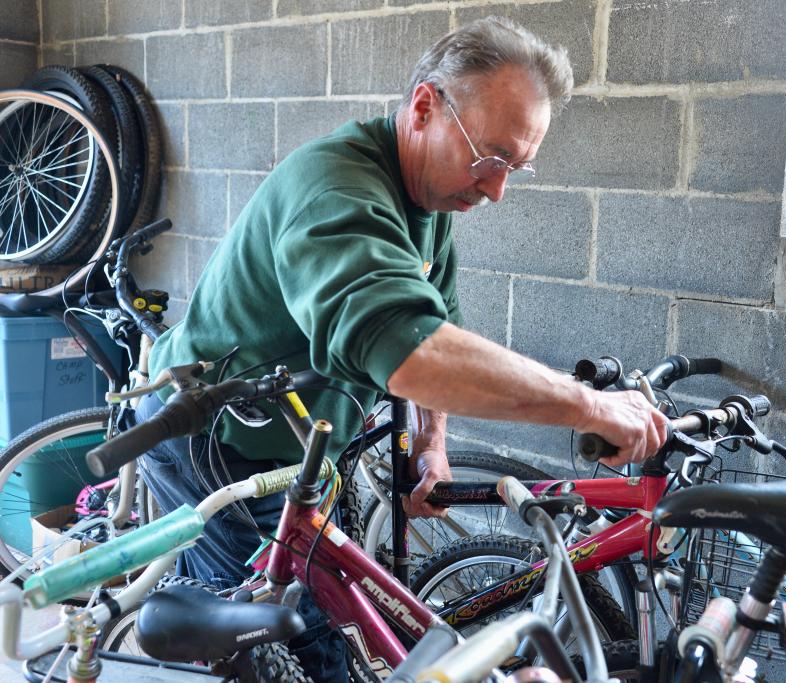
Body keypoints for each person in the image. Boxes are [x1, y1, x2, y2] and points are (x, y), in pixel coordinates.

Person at [136, 16, 669, 681]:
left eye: (516, 169)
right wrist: (588, 406)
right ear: (424, 106)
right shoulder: (336, 190)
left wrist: (431, 443)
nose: (497, 189)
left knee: (335, 615)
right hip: (216, 438)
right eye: (492, 157)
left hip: (299, 441)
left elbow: (437, 322)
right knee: (282, 639)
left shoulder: (428, 202)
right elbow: (412, 353)